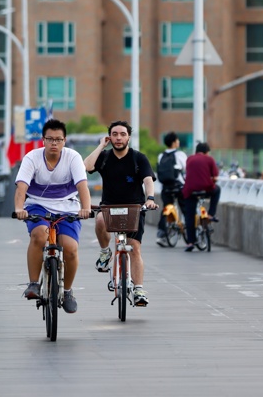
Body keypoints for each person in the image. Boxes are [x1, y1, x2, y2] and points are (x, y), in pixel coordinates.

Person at [13, 118, 93, 314]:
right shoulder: (32, 158)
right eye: (50, 139)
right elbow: (22, 186)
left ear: (64, 140)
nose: (54, 143)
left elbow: (82, 185)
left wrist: (86, 208)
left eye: (58, 139)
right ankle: (33, 283)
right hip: (37, 206)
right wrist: (18, 208)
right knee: (39, 235)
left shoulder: (73, 157)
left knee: (71, 248)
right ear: (43, 140)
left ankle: (67, 291)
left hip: (67, 207)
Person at [84, 121, 158, 306]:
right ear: (110, 137)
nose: (118, 138)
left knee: (134, 248)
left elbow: (148, 179)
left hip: (134, 207)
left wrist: (150, 198)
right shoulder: (105, 157)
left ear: (128, 137)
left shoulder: (138, 158)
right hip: (108, 206)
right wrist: (101, 145)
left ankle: (139, 289)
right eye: (114, 134)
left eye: (122, 134)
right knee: (100, 220)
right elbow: (86, 166)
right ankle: (104, 253)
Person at [182, 142, 221, 250]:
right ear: (206, 151)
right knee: (217, 190)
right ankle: (211, 214)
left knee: (190, 215)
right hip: (206, 188)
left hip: (190, 190)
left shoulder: (189, 159)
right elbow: (215, 176)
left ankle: (191, 242)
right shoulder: (209, 159)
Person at [155, 131, 187, 245]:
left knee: (165, 209)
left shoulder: (160, 156)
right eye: (177, 140)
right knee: (185, 208)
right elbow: (186, 168)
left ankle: (161, 234)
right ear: (174, 142)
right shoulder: (180, 155)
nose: (178, 142)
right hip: (179, 186)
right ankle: (188, 229)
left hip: (166, 187)